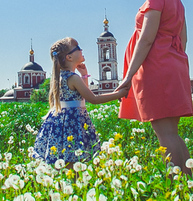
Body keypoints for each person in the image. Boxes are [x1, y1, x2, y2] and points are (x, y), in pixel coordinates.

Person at [117, 0, 193, 175]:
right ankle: (189, 182)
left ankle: (176, 185)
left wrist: (129, 75)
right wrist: (173, 62)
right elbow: (184, 38)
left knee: (163, 133)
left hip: (156, 69)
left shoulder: (156, 0)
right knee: (172, 132)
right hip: (173, 65)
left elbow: (146, 39)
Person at [31, 37, 128, 167]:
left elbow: (81, 97)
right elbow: (93, 99)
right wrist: (119, 93)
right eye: (77, 48)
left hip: (60, 124)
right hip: (73, 123)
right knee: (75, 160)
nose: (81, 50)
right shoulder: (72, 77)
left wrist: (84, 75)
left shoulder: (61, 77)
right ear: (69, 57)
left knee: (64, 160)